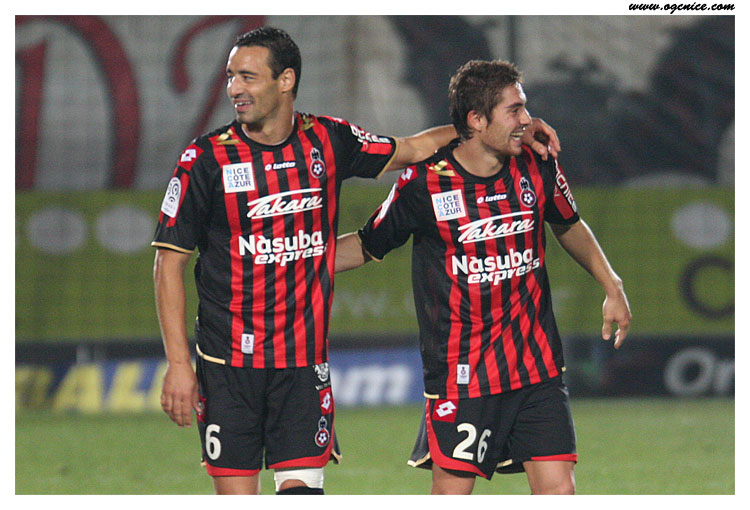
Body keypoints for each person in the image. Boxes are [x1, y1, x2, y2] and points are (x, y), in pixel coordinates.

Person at [152, 26, 560, 495]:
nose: (234, 89)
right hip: (227, 365)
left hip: (303, 365)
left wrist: (510, 128)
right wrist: (179, 363)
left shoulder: (328, 139)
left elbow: (411, 148)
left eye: (247, 76)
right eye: (230, 77)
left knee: (304, 491)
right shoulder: (205, 159)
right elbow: (168, 264)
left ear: (286, 80)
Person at [335, 59, 631, 495]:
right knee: (452, 494)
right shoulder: (424, 184)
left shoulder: (537, 164)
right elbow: (367, 244)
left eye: (524, 107)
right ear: (476, 120)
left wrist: (612, 284)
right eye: (514, 110)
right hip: (464, 374)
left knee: (559, 490)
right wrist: (292, 261)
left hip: (536, 365)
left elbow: (568, 223)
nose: (527, 120)